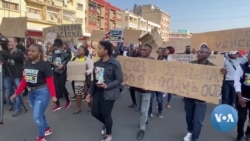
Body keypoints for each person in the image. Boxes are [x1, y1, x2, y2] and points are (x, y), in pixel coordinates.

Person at [10, 43, 57, 141]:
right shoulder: (27, 63)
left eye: (33, 51)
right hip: (31, 93)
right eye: (29, 50)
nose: (30, 52)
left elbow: (50, 81)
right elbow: (24, 80)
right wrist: (16, 93)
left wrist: (53, 95)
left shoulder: (45, 65)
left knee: (36, 116)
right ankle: (47, 128)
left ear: (39, 53)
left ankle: (41, 137)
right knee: (39, 114)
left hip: (42, 92)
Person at [183, 45, 226, 141]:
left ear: (208, 55)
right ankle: (190, 131)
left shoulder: (213, 68)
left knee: (198, 121)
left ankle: (194, 138)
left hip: (201, 98)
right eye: (199, 51)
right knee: (189, 117)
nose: (199, 53)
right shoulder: (191, 64)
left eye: (202, 52)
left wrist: (223, 74)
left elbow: (218, 82)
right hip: (189, 96)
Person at [86, 41, 123, 141]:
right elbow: (95, 81)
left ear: (106, 51)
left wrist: (107, 85)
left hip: (110, 93)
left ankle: (108, 134)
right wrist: (90, 93)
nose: (97, 50)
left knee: (106, 114)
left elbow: (119, 80)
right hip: (98, 92)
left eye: (99, 48)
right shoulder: (97, 63)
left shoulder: (115, 63)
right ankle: (107, 124)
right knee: (95, 113)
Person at [133, 44, 154, 140]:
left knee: (144, 111)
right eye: (142, 50)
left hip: (147, 91)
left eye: (145, 50)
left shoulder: (154, 62)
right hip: (137, 89)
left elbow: (156, 76)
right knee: (139, 108)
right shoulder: (137, 60)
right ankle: (144, 120)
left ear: (150, 51)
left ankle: (142, 129)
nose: (143, 51)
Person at [1, 37, 25, 117]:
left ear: (15, 43)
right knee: (8, 91)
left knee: (17, 91)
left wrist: (2, 51)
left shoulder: (19, 52)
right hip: (7, 74)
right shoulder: (6, 52)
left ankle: (18, 108)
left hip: (17, 75)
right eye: (8, 42)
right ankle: (11, 104)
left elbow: (14, 58)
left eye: (11, 41)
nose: (9, 43)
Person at [71, 46, 94, 114]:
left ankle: (90, 106)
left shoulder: (88, 60)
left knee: (87, 94)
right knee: (78, 94)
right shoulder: (74, 59)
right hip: (78, 80)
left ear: (84, 52)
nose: (78, 51)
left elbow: (92, 68)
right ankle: (78, 108)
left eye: (80, 50)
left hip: (87, 80)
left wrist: (87, 72)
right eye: (77, 50)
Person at [51, 38, 71, 112]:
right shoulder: (54, 54)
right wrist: (52, 64)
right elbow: (53, 62)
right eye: (55, 47)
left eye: (58, 47)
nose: (56, 49)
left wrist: (63, 65)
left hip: (62, 73)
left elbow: (68, 63)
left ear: (61, 47)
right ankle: (57, 104)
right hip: (55, 72)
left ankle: (68, 101)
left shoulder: (67, 54)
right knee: (55, 88)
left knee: (62, 88)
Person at [234, 52, 250, 141]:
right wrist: (239, 96)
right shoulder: (241, 67)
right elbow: (237, 82)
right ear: (248, 57)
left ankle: (248, 133)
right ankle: (240, 135)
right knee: (241, 119)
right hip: (243, 98)